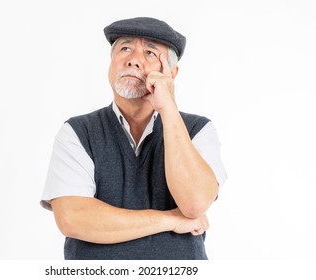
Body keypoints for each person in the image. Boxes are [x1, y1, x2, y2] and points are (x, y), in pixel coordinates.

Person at [40, 17, 227, 260]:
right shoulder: (77, 131)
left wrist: (168, 108)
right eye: (125, 48)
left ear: (172, 73)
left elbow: (194, 204)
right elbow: (72, 218)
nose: (133, 60)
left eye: (150, 53)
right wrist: (171, 219)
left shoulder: (198, 130)